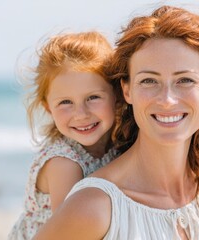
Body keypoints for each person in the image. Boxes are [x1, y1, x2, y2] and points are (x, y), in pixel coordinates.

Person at [34, 5, 199, 240]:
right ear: (126, 91)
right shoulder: (95, 206)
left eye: (184, 80)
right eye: (149, 81)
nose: (167, 100)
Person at [8, 31, 119, 240]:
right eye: (65, 102)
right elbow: (71, 233)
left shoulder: (119, 146)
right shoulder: (64, 164)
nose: (81, 114)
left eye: (93, 97)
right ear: (48, 108)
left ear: (118, 96)